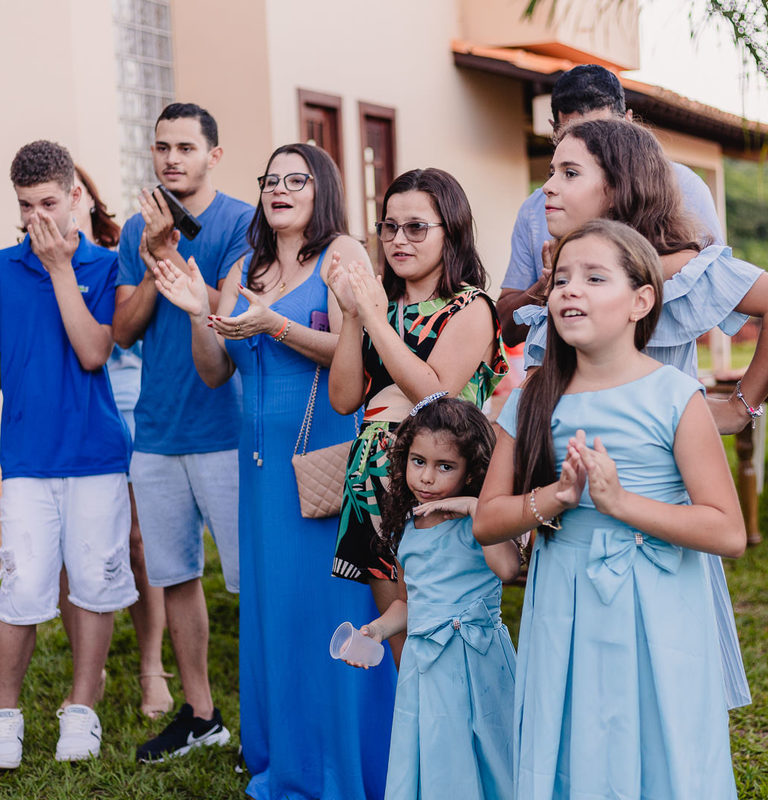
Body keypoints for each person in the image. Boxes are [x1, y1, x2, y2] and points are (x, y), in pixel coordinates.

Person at [540, 117, 768, 710]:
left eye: (569, 173)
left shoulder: (679, 268)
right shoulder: (564, 283)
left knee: (668, 677)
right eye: (549, 171)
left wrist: (742, 404)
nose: (548, 188)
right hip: (580, 497)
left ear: (617, 186)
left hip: (666, 491)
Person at [152, 142, 396, 800]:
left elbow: (365, 353)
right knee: (274, 611)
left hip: (324, 459)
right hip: (259, 468)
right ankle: (283, 754)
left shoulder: (343, 254)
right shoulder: (244, 265)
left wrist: (275, 326)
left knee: (331, 606)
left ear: (323, 191)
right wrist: (199, 316)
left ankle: (347, 761)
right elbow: (214, 369)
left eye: (298, 179)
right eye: (271, 180)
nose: (280, 189)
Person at [473, 219, 747, 797]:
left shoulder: (674, 395)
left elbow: (727, 531)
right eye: (563, 278)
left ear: (640, 301)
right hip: (564, 601)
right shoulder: (528, 399)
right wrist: (556, 497)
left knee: (657, 737)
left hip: (657, 603)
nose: (571, 290)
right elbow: (488, 520)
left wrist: (621, 503)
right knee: (572, 737)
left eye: (595, 278)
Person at [0, 140, 138, 768]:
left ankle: (81, 709)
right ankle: (4, 719)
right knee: (23, 587)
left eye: (49, 203)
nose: (37, 218)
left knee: (92, 585)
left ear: (77, 198)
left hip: (95, 457)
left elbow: (94, 352)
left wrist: (62, 268)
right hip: (30, 461)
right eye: (25, 206)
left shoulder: (109, 268)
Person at [112, 103, 252, 759]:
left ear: (213, 155)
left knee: (253, 577)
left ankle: (278, 704)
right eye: (162, 147)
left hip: (227, 426)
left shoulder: (241, 224)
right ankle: (201, 713)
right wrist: (150, 259)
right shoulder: (138, 227)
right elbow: (124, 329)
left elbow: (239, 312)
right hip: (157, 430)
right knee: (174, 576)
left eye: (186, 148)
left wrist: (179, 261)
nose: (172, 159)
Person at [327, 168, 508, 663]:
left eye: (415, 227)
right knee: (401, 639)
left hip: (437, 482)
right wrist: (349, 317)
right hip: (373, 480)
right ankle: (414, 738)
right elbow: (343, 398)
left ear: (451, 230)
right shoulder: (377, 304)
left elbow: (433, 394)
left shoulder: (470, 306)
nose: (398, 239)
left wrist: (374, 319)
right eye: (389, 227)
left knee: (441, 627)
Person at [350, 394, 519, 800]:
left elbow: (508, 569)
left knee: (490, 753)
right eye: (418, 461)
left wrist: (477, 509)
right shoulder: (407, 527)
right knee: (440, 753)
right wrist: (374, 630)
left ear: (472, 471)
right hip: (427, 665)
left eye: (445, 467)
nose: (426, 478)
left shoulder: (477, 524)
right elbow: (408, 603)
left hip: (479, 661)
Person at [495, 63, 724, 348]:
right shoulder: (537, 208)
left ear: (628, 121)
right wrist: (548, 283)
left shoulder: (683, 186)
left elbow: (715, 291)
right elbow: (504, 327)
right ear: (555, 132)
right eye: (573, 133)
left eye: (605, 131)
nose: (592, 146)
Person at [55, 164, 172, 717]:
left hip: (131, 406)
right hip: (75, 412)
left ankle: (152, 668)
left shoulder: (119, 256)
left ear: (82, 196)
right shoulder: (43, 264)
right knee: (69, 548)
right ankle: (91, 667)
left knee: (139, 546)